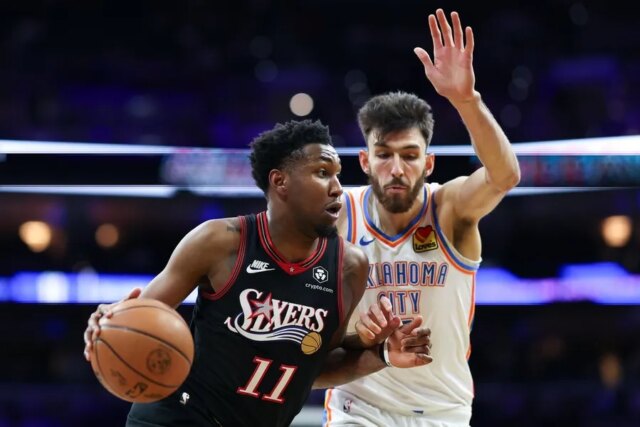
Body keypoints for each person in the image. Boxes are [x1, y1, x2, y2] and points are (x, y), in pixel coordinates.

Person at [83, 119, 433, 427]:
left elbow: (315, 366)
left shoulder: (349, 266)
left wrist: (382, 354)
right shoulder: (220, 241)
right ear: (280, 181)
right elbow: (135, 320)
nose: (337, 187)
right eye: (322, 173)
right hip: (178, 417)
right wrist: (108, 325)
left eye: (337, 174)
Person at [324, 9, 521, 427]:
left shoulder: (450, 209)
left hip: (441, 410)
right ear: (365, 161)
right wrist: (360, 338)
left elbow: (505, 176)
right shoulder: (339, 213)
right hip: (359, 407)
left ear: (428, 163)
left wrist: (467, 100)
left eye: (409, 156)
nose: (396, 169)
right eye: (384, 155)